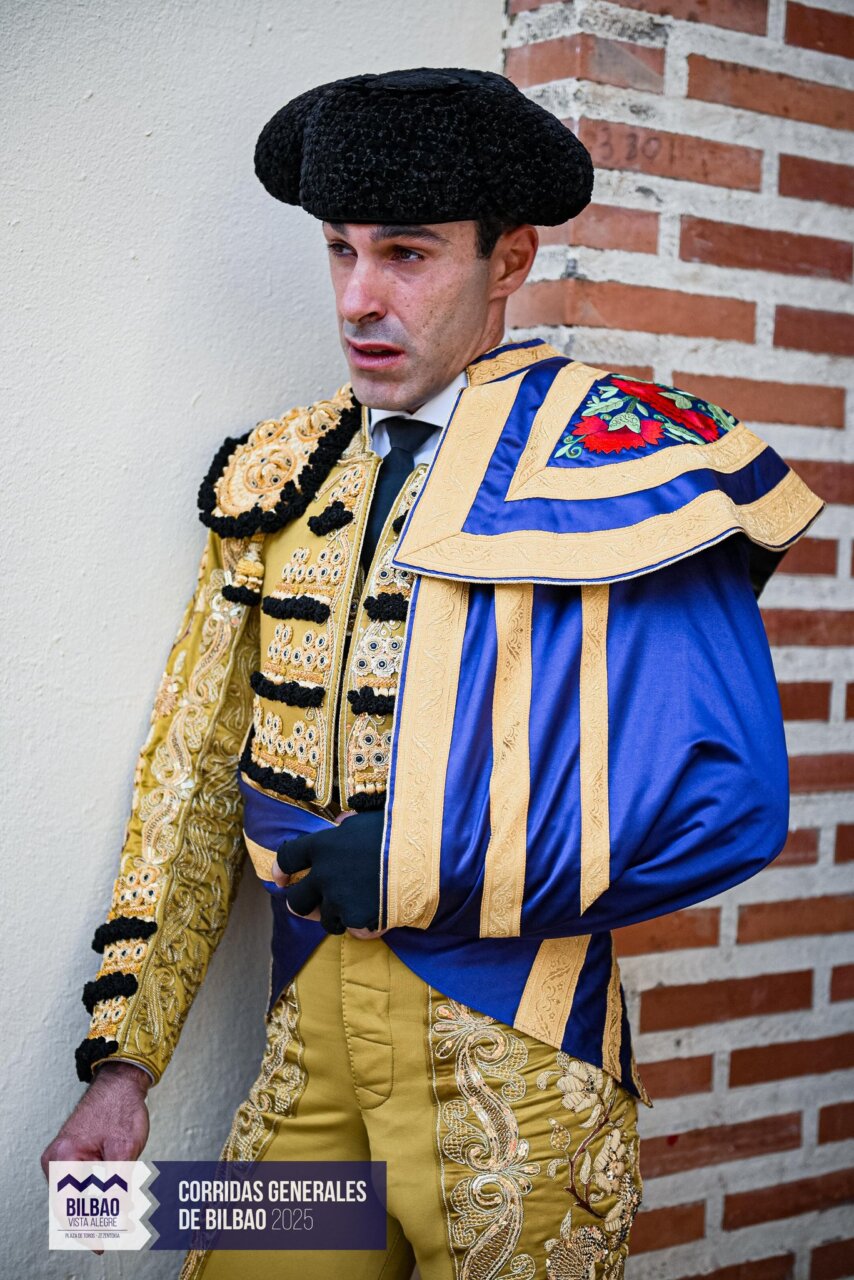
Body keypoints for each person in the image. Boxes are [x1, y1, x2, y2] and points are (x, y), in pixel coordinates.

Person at [42, 68, 824, 1279]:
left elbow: (725, 795)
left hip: (523, 1074)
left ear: (508, 260)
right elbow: (195, 772)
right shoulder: (279, 470)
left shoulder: (624, 465)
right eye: (340, 249)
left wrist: (427, 862)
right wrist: (123, 1063)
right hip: (305, 1043)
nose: (359, 297)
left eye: (406, 254)